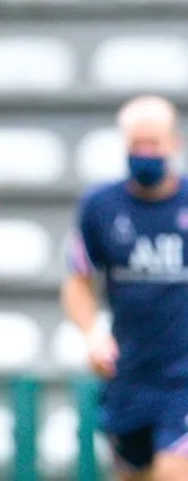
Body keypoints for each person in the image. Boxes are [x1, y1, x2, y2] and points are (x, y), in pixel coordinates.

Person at [62, 95, 188, 481]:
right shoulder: (100, 206)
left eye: (154, 144)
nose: (146, 153)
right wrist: (92, 335)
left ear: (174, 143)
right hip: (130, 373)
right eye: (137, 145)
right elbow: (78, 281)